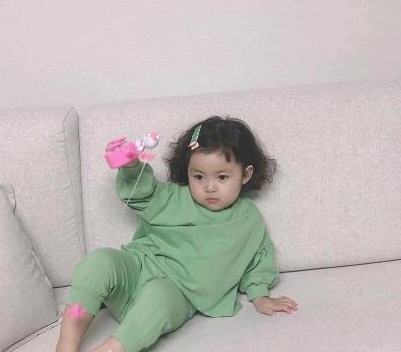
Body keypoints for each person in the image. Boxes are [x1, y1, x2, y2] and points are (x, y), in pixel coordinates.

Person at [56, 116, 298, 352]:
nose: (209, 187)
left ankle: (112, 348)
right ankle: (66, 344)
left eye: (222, 177)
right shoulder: (174, 197)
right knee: (99, 261)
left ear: (245, 174)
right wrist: (131, 166)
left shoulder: (247, 219)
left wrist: (259, 295)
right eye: (198, 176)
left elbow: (257, 259)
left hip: (176, 293)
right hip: (135, 270)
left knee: (158, 299)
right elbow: (141, 194)